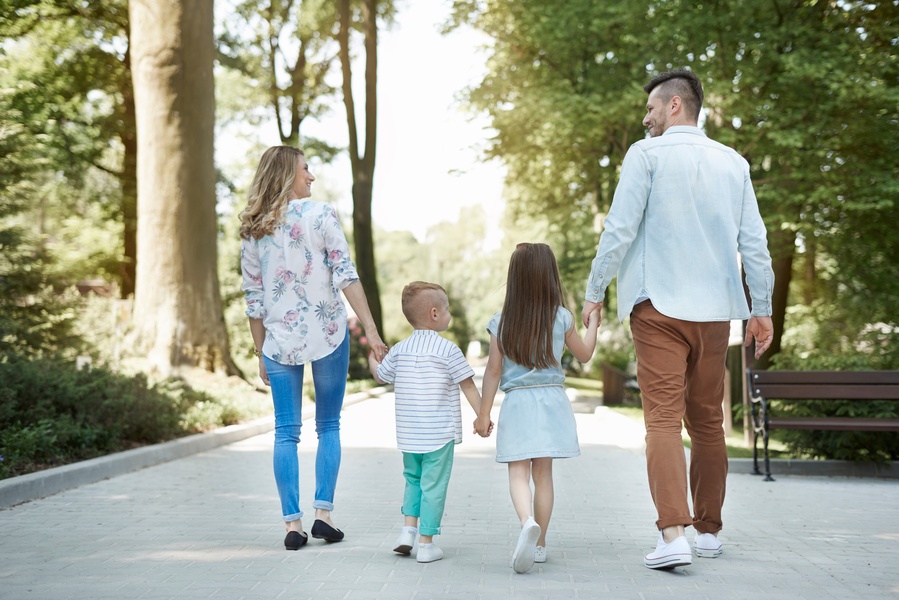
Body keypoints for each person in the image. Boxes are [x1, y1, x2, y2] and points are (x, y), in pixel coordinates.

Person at [582, 69, 775, 569]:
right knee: (708, 422)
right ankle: (708, 531)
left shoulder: (645, 155)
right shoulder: (734, 163)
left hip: (659, 307)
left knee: (663, 421)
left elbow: (620, 229)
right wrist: (762, 309)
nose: (644, 118)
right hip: (716, 314)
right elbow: (754, 242)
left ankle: (672, 535)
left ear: (674, 107)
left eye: (650, 108)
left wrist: (594, 290)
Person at [239, 145, 387, 551]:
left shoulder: (253, 228)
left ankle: (292, 525)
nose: (312, 176)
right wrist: (372, 333)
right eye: (306, 169)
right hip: (328, 334)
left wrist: (259, 352)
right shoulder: (321, 214)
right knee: (329, 426)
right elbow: (346, 276)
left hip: (278, 341)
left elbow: (253, 298)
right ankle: (323, 516)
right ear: (288, 174)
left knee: (285, 433)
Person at [474, 243, 601, 574]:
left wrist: (484, 412)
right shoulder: (562, 318)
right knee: (543, 475)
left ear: (514, 278)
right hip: (552, 401)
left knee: (518, 471)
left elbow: (493, 370)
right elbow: (585, 354)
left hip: (518, 402)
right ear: (550, 276)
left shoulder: (501, 321)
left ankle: (526, 521)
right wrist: (594, 323)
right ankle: (540, 543)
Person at [367, 281, 489, 563]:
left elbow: (381, 375)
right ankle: (426, 543)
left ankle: (407, 532)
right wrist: (482, 415)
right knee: (433, 486)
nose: (449, 315)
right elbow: (469, 387)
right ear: (435, 313)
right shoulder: (448, 350)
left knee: (412, 480)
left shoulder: (399, 350)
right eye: (447, 309)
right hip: (439, 434)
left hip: (410, 436)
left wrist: (375, 357)